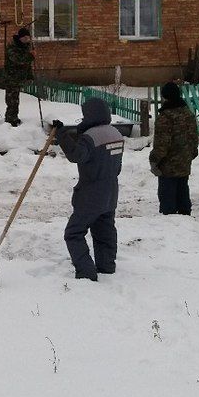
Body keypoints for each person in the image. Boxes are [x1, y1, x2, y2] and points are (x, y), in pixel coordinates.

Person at [52, 98, 124, 281]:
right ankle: (106, 267)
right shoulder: (116, 133)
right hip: (111, 191)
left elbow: (77, 155)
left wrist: (61, 135)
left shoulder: (91, 137)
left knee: (74, 233)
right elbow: (117, 167)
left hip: (91, 193)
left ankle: (86, 272)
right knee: (104, 230)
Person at [148, 81, 198, 215]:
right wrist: (190, 154)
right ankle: (185, 217)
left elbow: (162, 145)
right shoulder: (188, 114)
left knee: (168, 198)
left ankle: (170, 222)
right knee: (183, 190)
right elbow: (194, 138)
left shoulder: (165, 117)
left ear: (165, 97)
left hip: (168, 165)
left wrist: (154, 160)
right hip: (185, 161)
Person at [2, 27, 34, 126]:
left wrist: (30, 76)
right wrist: (31, 56)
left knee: (16, 99)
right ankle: (10, 119)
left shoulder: (26, 47)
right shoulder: (12, 47)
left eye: (28, 38)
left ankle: (14, 117)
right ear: (20, 38)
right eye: (24, 38)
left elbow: (27, 65)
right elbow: (18, 60)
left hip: (19, 77)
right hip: (11, 77)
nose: (26, 40)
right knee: (12, 100)